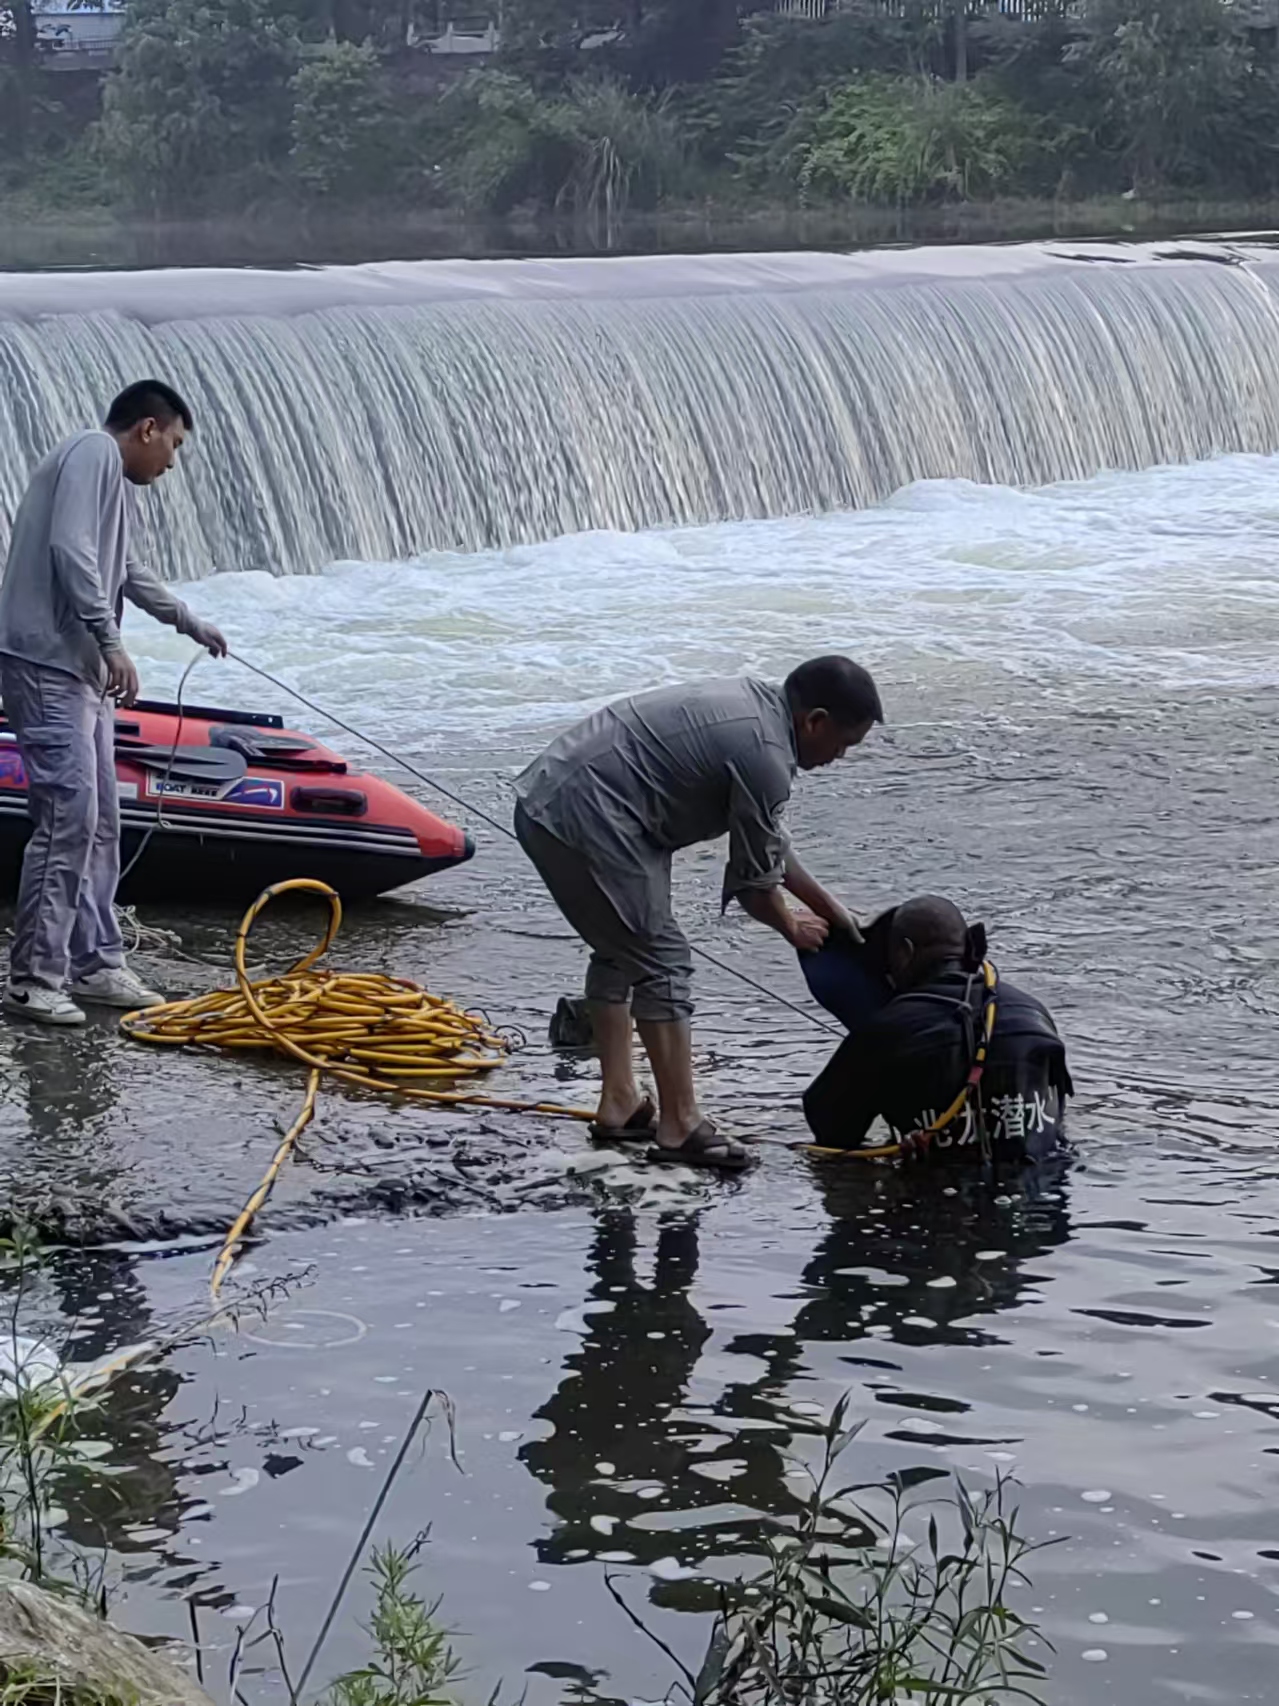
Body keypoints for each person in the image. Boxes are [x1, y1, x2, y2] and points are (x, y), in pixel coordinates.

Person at [514, 655, 884, 1171]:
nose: (840, 757)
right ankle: (680, 1125)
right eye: (844, 743)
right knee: (662, 959)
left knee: (625, 949)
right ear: (815, 720)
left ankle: (620, 1101)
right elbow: (758, 889)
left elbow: (768, 840)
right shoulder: (766, 755)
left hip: (567, 795)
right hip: (587, 813)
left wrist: (834, 912)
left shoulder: (758, 711)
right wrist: (791, 927)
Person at [0, 380, 227, 1027]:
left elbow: (123, 568)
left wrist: (190, 622)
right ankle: (32, 980)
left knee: (102, 823)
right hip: (47, 663)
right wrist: (111, 640)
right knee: (68, 816)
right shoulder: (93, 453)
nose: (172, 462)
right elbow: (70, 553)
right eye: (174, 445)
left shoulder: (112, 484)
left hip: (79, 671)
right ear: (148, 428)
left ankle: (94, 963)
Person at [801, 895, 1072, 1165]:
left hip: (938, 1194)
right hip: (1042, 1187)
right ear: (971, 945)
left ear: (905, 952)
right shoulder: (1033, 1013)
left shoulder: (888, 1029)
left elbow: (829, 1129)